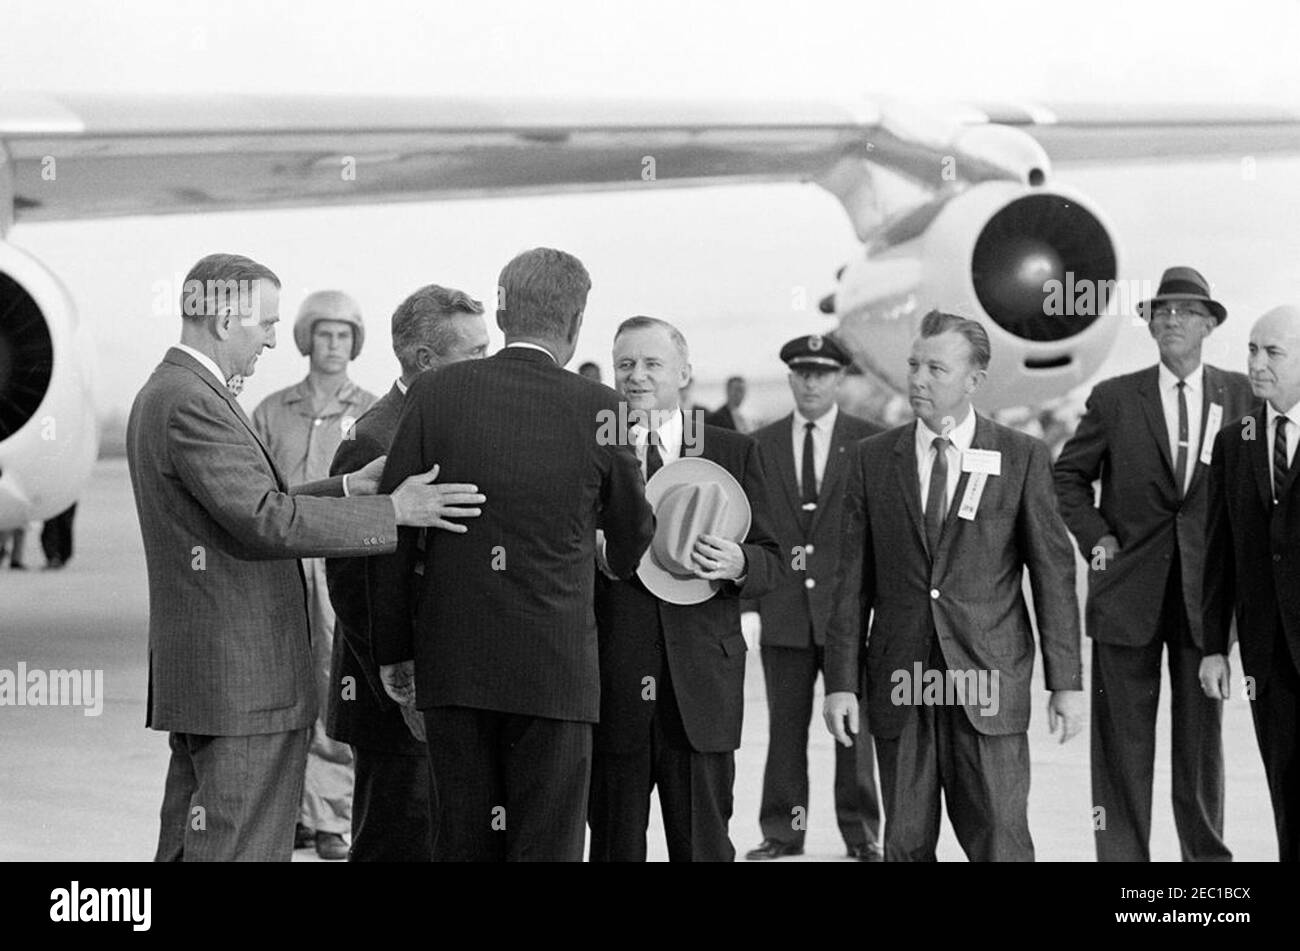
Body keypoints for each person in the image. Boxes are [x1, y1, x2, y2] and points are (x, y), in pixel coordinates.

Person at [127, 252, 481, 861]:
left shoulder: (178, 390)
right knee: (239, 847)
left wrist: (347, 488)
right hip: (240, 677)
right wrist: (394, 511)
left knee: (194, 845)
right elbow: (265, 523)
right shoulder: (192, 400)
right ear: (222, 319)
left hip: (217, 675)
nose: (271, 340)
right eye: (265, 323)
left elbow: (256, 502)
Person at [371, 248, 654, 862]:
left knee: (462, 843)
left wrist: (395, 651)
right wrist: (609, 554)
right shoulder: (600, 408)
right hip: (554, 673)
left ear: (501, 313)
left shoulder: (435, 394)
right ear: (576, 322)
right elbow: (634, 531)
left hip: (454, 666)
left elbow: (395, 529)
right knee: (548, 845)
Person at [823, 309, 1084, 862]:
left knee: (1000, 838)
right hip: (901, 683)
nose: (918, 378)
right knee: (906, 842)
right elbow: (852, 583)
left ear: (974, 380)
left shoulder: (1021, 456)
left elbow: (1053, 576)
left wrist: (1066, 682)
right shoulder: (872, 460)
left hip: (988, 681)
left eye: (935, 369)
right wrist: (841, 682)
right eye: (914, 365)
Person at [1055, 267, 1252, 862]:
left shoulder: (1241, 395)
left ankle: (1206, 865)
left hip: (1206, 596)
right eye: (1161, 311)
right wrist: (1099, 537)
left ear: (1208, 326)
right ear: (1147, 323)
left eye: (1187, 312)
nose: (1171, 320)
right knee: (1121, 743)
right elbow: (1067, 477)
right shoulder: (1115, 397)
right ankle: (1122, 863)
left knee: (1201, 743)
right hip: (1126, 594)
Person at [588, 316, 783, 862]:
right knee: (612, 846)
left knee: (703, 848)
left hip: (702, 691)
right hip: (612, 684)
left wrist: (740, 561)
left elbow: (774, 561)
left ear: (684, 372)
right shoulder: (593, 448)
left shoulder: (733, 451)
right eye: (625, 364)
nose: (637, 377)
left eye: (652, 364)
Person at [325, 283, 489, 861]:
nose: (486, 364)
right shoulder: (375, 437)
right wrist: (399, 681)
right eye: (473, 353)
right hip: (395, 699)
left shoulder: (460, 417)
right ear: (426, 359)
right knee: (394, 844)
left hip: (451, 688)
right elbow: (350, 581)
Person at [744, 334, 883, 862]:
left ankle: (861, 834)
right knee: (784, 731)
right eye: (802, 373)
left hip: (848, 616)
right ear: (790, 378)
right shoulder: (761, 444)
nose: (810, 382)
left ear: (839, 379)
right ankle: (782, 832)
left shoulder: (871, 443)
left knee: (854, 732)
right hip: (783, 613)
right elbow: (748, 529)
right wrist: (750, 607)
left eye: (822, 373)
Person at [251, 290, 378, 860]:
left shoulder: (371, 413)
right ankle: (291, 814)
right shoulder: (271, 411)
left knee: (335, 685)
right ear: (305, 339)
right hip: (279, 572)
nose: (334, 345)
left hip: (339, 572)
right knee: (279, 690)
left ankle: (331, 817)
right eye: (324, 334)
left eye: (344, 335)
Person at [1202, 303, 1300, 862]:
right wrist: (1215, 646)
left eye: (1273, 352)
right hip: (1269, 657)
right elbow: (1220, 553)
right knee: (1286, 797)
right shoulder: (1234, 442)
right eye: (1252, 350)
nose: (1256, 364)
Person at [39, 503, 77, 569]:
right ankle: (54, 556)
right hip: (52, 498)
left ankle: (59, 556)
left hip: (65, 497)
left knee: (64, 524)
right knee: (51, 523)